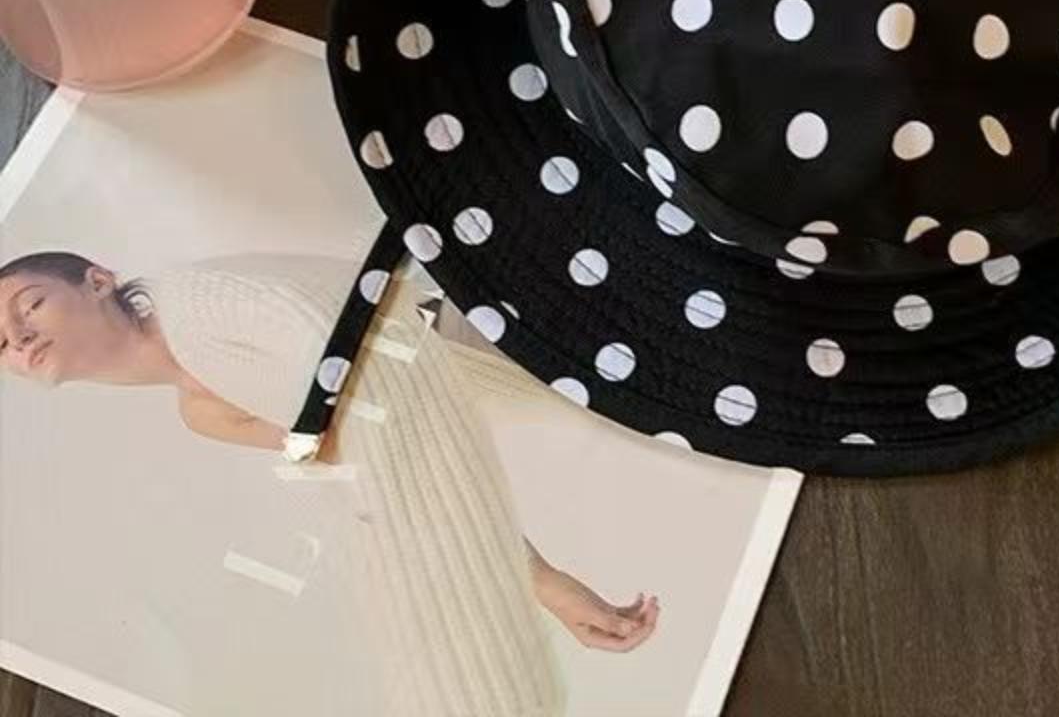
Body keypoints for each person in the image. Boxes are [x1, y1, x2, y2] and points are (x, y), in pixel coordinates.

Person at [0, 249, 660, 716]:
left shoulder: (203, 298)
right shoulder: (204, 413)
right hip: (488, 389)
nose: (19, 337)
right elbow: (381, 473)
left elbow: (379, 391)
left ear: (97, 280)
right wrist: (543, 583)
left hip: (498, 329)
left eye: (30, 304)